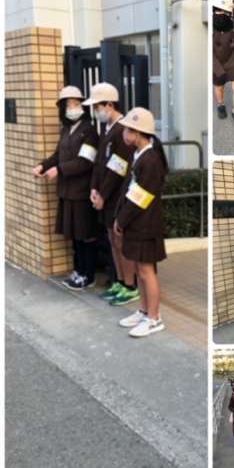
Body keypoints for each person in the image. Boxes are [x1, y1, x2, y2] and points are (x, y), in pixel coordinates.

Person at [33, 86, 99, 290]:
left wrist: (59, 170)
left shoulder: (89, 131)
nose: (72, 108)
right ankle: (78, 270)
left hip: (81, 192)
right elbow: (57, 155)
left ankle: (88, 275)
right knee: (74, 236)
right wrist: (43, 165)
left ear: (83, 106)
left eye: (76, 104)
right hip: (67, 191)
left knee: (85, 235)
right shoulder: (66, 129)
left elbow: (85, 162)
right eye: (68, 105)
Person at [83, 82, 139, 305]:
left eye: (98, 106)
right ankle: (120, 281)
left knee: (120, 241)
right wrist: (94, 189)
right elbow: (100, 164)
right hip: (105, 196)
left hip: (117, 197)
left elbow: (118, 168)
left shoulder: (123, 129)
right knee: (113, 242)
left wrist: (103, 194)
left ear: (109, 104)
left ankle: (130, 285)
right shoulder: (108, 129)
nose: (96, 111)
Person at [115, 108, 168, 338]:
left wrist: (121, 220)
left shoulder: (151, 160)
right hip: (137, 223)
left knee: (147, 271)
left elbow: (141, 197)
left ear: (137, 133)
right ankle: (144, 311)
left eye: (127, 129)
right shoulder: (139, 155)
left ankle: (154, 318)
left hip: (145, 225)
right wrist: (121, 218)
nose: (124, 133)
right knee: (139, 269)